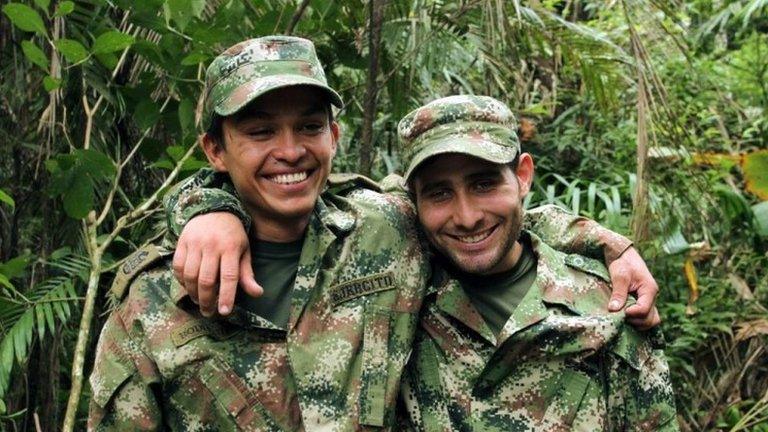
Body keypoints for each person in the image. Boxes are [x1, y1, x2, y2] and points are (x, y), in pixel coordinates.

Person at [89, 36, 430, 431]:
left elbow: (473, 210)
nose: (290, 150)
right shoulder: (154, 299)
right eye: (261, 131)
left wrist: (196, 203)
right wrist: (204, 206)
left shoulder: (388, 229)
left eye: (309, 127)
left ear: (333, 137)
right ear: (216, 150)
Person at [394, 95, 678, 430]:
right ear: (413, 200)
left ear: (523, 176)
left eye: (484, 184)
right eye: (439, 193)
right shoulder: (396, 299)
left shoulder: (606, 307)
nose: (467, 217)